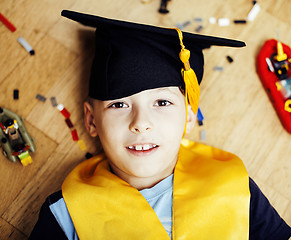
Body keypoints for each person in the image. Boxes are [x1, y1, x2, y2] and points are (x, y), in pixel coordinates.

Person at [29, 10, 291, 240]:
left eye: (162, 102)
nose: (141, 123)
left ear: (190, 115)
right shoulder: (66, 214)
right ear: (90, 120)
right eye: (118, 105)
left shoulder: (235, 186)